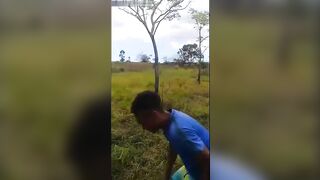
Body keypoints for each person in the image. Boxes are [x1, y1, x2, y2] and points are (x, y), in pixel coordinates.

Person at [131, 90, 210, 180]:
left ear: (153, 115)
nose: (143, 127)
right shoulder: (170, 118)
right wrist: (167, 173)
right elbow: (173, 144)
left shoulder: (179, 131)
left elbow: (207, 157)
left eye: (142, 123)